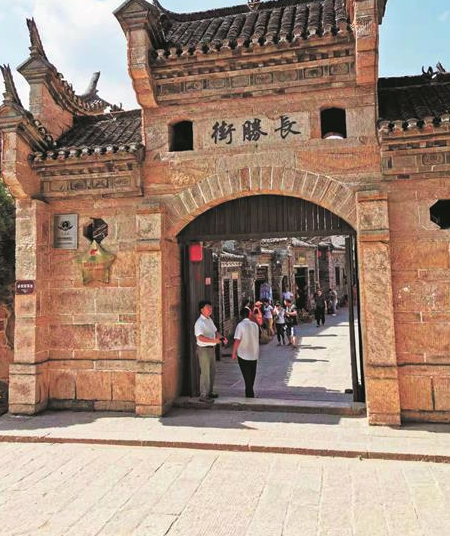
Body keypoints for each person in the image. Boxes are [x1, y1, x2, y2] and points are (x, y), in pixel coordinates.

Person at [194, 300, 228, 403]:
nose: (210, 309)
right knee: (205, 372)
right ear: (202, 310)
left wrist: (222, 338)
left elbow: (215, 332)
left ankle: (210, 392)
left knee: (212, 371)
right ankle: (203, 395)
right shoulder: (199, 323)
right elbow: (200, 338)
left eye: (210, 307)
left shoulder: (209, 320)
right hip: (204, 350)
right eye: (208, 307)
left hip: (211, 349)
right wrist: (214, 341)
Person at [232, 307, 260, 398]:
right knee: (252, 375)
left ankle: (249, 393)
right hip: (254, 354)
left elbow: (237, 340)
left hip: (243, 354)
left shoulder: (240, 325)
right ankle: (250, 393)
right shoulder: (255, 325)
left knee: (246, 375)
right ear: (249, 315)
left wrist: (234, 352)